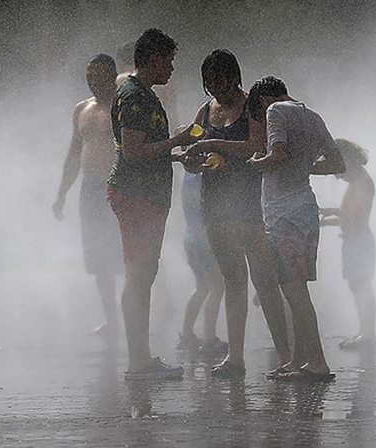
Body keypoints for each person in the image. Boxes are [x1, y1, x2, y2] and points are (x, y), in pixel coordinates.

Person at [181, 50, 291, 378]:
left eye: (219, 79)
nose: (214, 87)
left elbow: (256, 147)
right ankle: (235, 357)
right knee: (232, 280)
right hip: (214, 203)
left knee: (264, 280)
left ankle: (286, 356)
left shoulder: (251, 107)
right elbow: (195, 151)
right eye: (208, 81)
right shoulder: (206, 110)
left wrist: (213, 144)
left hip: (250, 202)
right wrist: (192, 160)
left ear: (234, 76)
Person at [108, 29, 201, 380]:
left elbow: (147, 150)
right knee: (138, 276)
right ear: (154, 59)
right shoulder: (133, 96)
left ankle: (141, 358)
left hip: (146, 193)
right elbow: (133, 153)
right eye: (170, 61)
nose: (172, 69)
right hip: (137, 195)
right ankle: (138, 362)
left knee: (143, 275)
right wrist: (176, 141)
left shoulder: (144, 93)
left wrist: (178, 156)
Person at [246, 76, 345, 381]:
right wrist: (305, 167)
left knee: (295, 292)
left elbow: (278, 154)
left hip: (283, 215)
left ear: (263, 101)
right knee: (297, 288)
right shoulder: (313, 117)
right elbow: (338, 164)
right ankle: (299, 360)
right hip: (306, 210)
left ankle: (317, 362)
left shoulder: (275, 109)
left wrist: (256, 162)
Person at [52, 54, 123, 337]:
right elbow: (73, 154)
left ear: (112, 76)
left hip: (119, 185)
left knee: (126, 252)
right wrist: (61, 194)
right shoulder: (82, 109)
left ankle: (134, 310)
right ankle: (111, 317)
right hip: (90, 188)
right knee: (98, 256)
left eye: (99, 77)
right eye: (89, 77)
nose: (93, 83)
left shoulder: (123, 105)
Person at [320, 139, 376, 350]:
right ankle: (366, 333)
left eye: (337, 169)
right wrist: (324, 220)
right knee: (358, 286)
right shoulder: (357, 182)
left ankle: (368, 335)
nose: (336, 176)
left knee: (361, 286)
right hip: (355, 239)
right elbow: (350, 218)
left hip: (359, 240)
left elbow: (356, 217)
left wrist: (329, 213)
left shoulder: (362, 183)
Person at [177, 171, 225, 353]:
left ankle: (187, 334)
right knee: (217, 287)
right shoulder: (204, 175)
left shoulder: (188, 174)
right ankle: (209, 338)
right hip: (204, 237)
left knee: (202, 287)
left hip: (190, 236)